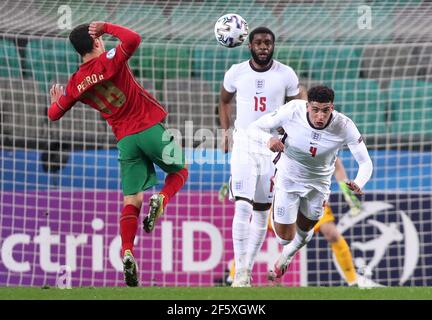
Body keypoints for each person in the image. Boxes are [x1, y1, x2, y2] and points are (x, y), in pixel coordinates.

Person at [47, 21, 188, 287]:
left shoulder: (76, 82)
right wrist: (106, 26)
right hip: (148, 128)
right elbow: (134, 38)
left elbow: (54, 115)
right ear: (97, 41)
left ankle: (126, 251)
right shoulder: (110, 60)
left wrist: (56, 103)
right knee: (180, 171)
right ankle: (161, 198)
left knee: (131, 200)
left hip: (125, 141)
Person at [247, 85, 373, 284]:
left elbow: (365, 162)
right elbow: (254, 128)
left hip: (319, 186)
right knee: (285, 238)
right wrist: (268, 139)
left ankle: (286, 256)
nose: (320, 116)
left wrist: (359, 182)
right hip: (288, 180)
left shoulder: (345, 125)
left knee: (306, 233)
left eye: (325, 110)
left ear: (332, 107)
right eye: (315, 110)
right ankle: (283, 244)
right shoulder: (292, 110)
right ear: (307, 106)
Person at [219, 26, 302, 287]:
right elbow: (223, 100)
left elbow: (299, 106)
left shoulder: (286, 74)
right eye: (259, 43)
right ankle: (240, 271)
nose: (264, 47)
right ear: (249, 46)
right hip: (244, 143)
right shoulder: (236, 72)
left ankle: (247, 268)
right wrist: (225, 132)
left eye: (268, 43)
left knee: (262, 212)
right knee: (242, 204)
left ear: (273, 45)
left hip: (272, 149)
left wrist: (291, 133)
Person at [220, 158, 363, 287]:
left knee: (331, 233)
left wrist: (346, 190)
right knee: (255, 233)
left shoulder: (317, 133)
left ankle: (353, 281)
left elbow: (335, 162)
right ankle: (234, 276)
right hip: (280, 194)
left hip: (310, 191)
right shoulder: (272, 136)